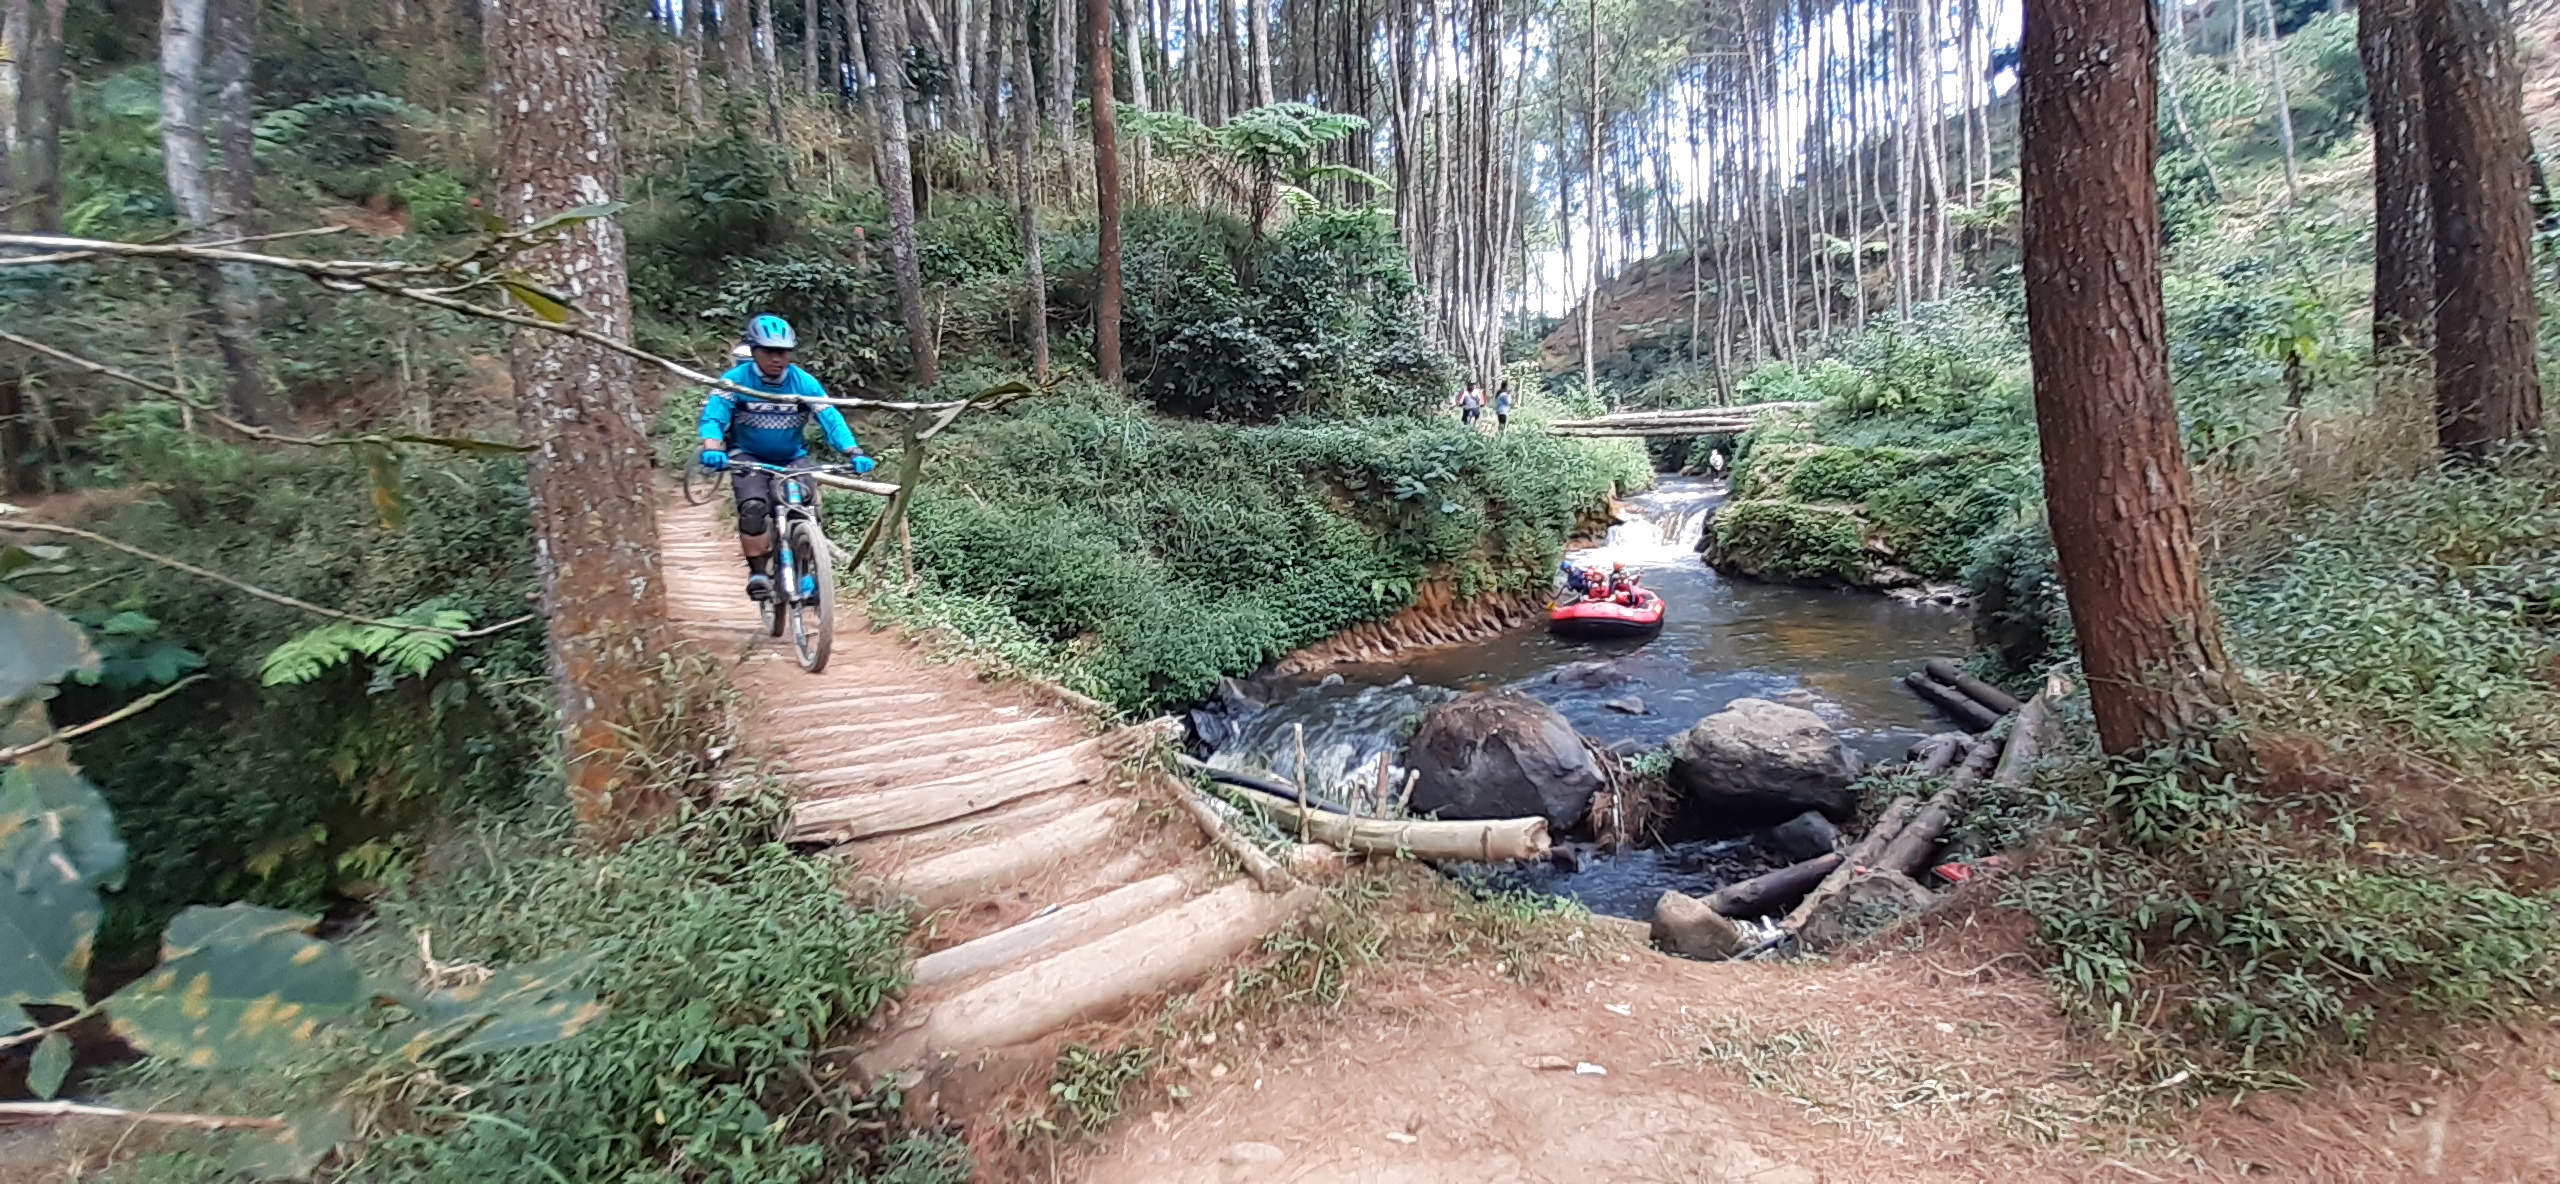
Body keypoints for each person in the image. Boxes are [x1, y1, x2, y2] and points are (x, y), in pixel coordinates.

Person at [697, 315, 875, 601]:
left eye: (783, 352)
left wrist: (853, 451)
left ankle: (805, 572)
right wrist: (713, 447)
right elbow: (714, 418)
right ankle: (757, 572)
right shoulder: (734, 381)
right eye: (769, 352)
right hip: (748, 456)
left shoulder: (803, 383)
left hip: (791, 457)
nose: (777, 359)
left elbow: (830, 417)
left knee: (805, 509)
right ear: (754, 351)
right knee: (753, 508)